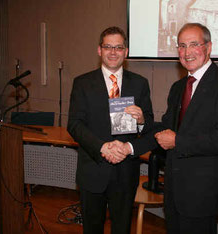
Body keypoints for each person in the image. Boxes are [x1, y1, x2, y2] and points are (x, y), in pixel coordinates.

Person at [128, 23, 218, 233]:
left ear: (208, 47)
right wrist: (143, 121)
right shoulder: (178, 87)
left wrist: (178, 141)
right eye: (181, 46)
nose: (187, 52)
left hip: (202, 194)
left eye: (194, 44)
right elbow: (167, 128)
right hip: (173, 190)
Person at [67, 26, 154, 234]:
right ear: (99, 50)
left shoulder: (140, 84)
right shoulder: (82, 83)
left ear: (126, 51)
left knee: (122, 228)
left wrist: (142, 119)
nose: (113, 52)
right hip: (93, 169)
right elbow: (74, 125)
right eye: (108, 47)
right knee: (92, 228)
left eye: (118, 47)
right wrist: (102, 147)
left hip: (125, 173)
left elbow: (149, 125)